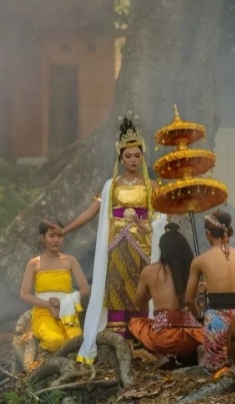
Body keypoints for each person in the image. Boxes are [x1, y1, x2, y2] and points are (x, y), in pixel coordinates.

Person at [65, 115, 166, 365]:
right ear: (120, 158)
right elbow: (92, 211)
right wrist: (66, 230)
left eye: (136, 155)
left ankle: (144, 338)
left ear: (143, 156)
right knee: (117, 289)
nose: (132, 160)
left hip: (143, 246)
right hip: (117, 247)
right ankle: (118, 341)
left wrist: (149, 225)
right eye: (127, 156)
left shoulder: (152, 184)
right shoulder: (111, 186)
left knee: (142, 291)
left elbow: (162, 216)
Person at [127, 223, 203, 369]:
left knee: (134, 323)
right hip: (192, 336)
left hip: (163, 336)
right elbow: (191, 304)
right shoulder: (192, 269)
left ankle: (161, 356)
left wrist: (153, 290)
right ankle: (199, 351)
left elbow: (138, 303)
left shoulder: (150, 270)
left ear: (162, 248)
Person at [184, 210, 235, 373]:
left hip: (216, 323)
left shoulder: (200, 261)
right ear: (231, 232)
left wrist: (200, 317)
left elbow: (189, 300)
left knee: (217, 371)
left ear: (208, 233)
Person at [19, 219, 90, 353]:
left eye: (60, 236)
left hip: (67, 311)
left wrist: (64, 302)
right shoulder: (34, 264)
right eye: (52, 236)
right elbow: (24, 294)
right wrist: (49, 305)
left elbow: (85, 289)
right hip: (43, 313)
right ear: (43, 238)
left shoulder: (70, 261)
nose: (56, 240)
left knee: (76, 341)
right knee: (55, 342)